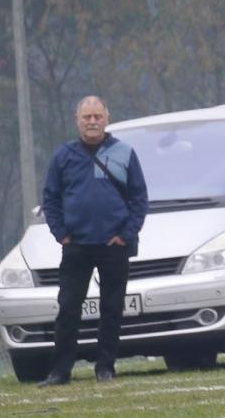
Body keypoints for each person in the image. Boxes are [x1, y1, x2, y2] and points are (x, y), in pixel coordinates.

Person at [39, 95, 149, 385]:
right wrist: (60, 233)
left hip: (114, 246)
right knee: (68, 309)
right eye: (86, 117)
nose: (92, 122)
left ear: (107, 119)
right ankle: (60, 371)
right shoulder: (63, 156)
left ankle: (105, 367)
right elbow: (50, 199)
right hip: (76, 246)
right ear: (77, 120)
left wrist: (126, 235)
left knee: (112, 309)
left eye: (97, 116)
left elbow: (139, 199)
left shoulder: (124, 153)